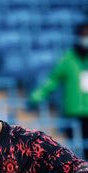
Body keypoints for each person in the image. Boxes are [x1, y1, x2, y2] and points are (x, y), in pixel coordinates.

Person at [28, 22, 88, 156]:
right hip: (74, 113)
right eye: (84, 34)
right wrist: (37, 96)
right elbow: (52, 80)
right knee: (77, 151)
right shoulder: (68, 59)